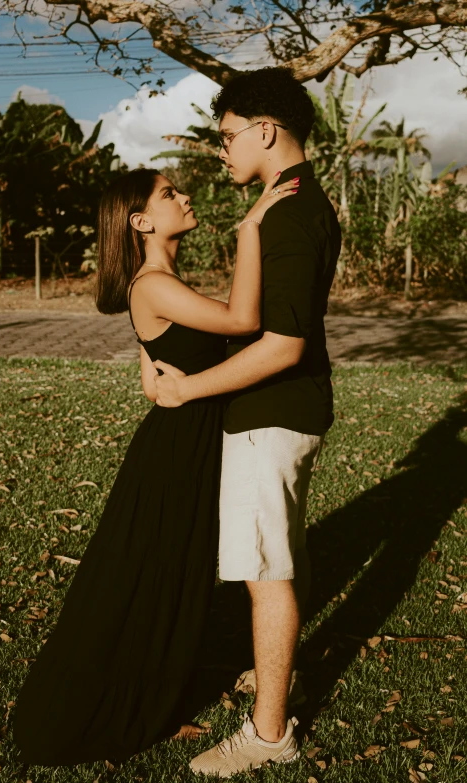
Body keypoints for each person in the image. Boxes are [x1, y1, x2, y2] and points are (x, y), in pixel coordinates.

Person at [11, 166, 299, 767]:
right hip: (175, 450)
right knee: (148, 574)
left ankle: (155, 670)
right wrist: (251, 225)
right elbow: (244, 322)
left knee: (166, 572)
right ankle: (115, 692)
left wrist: (176, 382)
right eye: (169, 194)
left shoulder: (159, 281)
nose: (184, 196)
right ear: (141, 222)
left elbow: (153, 379)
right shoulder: (153, 284)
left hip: (181, 437)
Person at [153, 66, 341, 778]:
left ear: (266, 130)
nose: (221, 151)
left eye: (228, 137)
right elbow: (256, 316)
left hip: (274, 412)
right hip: (284, 410)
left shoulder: (291, 213)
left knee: (267, 572)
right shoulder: (286, 202)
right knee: (278, 555)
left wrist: (190, 389)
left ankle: (269, 733)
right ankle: (273, 673)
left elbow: (281, 343)